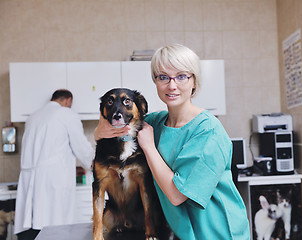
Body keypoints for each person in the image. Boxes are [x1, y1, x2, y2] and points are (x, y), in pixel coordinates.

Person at [94, 44, 250, 239]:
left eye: (182, 76)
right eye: (163, 77)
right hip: (179, 232)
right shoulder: (155, 122)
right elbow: (107, 130)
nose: (172, 85)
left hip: (215, 232)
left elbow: (177, 195)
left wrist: (149, 147)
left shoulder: (208, 131)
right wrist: (99, 131)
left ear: (194, 81)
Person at [14, 89, 94, 240]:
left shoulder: (33, 117)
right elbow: (82, 148)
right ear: (68, 101)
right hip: (52, 181)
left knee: (33, 226)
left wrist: (71, 166)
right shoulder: (67, 114)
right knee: (55, 228)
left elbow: (44, 153)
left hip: (30, 180)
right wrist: (95, 165)